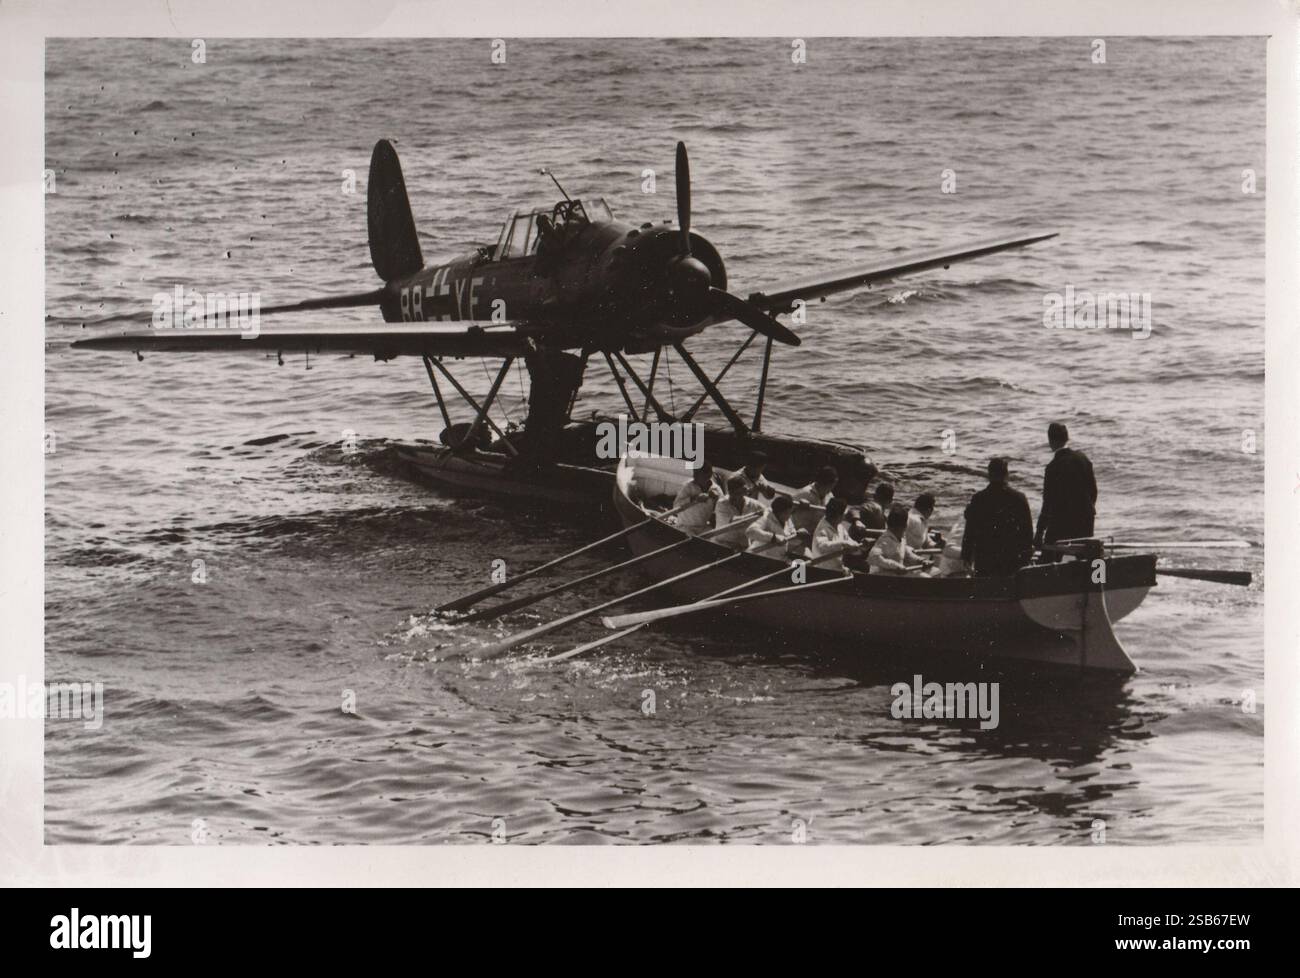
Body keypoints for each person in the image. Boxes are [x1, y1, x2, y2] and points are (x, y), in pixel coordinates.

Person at [1033, 422, 1098, 560]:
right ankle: (1095, 578)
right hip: (1085, 519)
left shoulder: (1052, 468)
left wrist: (1039, 532)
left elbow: (1048, 503)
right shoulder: (1083, 459)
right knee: (1085, 557)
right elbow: (1093, 492)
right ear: (1067, 438)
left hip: (1062, 523)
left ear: (1050, 441)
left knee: (1048, 557)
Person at [961, 457, 1034, 576]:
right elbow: (1027, 532)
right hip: (1012, 558)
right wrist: (1026, 555)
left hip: (985, 558)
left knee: (985, 589)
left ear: (989, 475)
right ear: (1007, 474)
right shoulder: (1018, 498)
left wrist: (966, 556)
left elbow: (970, 530)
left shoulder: (979, 499)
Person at [868, 505, 931, 576]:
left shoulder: (901, 539)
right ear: (903, 526)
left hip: (898, 576)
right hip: (884, 578)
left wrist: (921, 560)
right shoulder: (884, 540)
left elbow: (908, 554)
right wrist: (895, 566)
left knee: (925, 576)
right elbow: (872, 557)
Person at [713, 474, 766, 548]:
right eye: (734, 494)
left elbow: (769, 513)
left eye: (740, 494)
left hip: (743, 548)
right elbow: (734, 522)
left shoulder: (754, 504)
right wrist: (755, 515)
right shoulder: (721, 503)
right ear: (730, 492)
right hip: (722, 545)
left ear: (745, 492)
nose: (736, 497)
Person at [811, 497, 861, 573]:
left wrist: (860, 547)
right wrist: (842, 543)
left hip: (838, 569)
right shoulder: (822, 529)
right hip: (822, 571)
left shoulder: (840, 527)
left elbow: (851, 545)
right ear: (839, 515)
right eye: (844, 513)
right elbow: (822, 547)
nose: (845, 516)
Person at [672, 461, 721, 535]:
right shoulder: (688, 486)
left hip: (703, 527)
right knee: (691, 540)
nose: (694, 476)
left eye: (697, 474)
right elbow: (675, 507)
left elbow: (722, 509)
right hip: (685, 527)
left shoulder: (716, 489)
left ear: (708, 475)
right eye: (694, 473)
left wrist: (717, 500)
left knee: (715, 539)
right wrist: (694, 499)